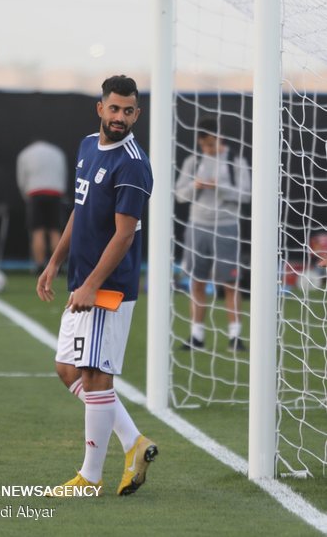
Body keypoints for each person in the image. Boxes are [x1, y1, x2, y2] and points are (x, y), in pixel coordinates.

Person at [37, 75, 157, 496]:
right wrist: (54, 261)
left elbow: (124, 235)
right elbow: (80, 210)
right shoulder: (89, 146)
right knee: (68, 369)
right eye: (114, 108)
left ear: (136, 114)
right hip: (81, 282)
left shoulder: (134, 164)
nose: (120, 116)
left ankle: (89, 478)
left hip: (107, 289)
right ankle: (134, 442)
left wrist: (90, 285)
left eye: (128, 111)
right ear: (100, 108)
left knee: (95, 374)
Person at [175, 117, 251, 352]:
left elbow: (247, 196)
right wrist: (196, 186)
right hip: (197, 227)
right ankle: (196, 336)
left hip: (227, 227)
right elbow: (179, 195)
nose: (208, 149)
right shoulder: (193, 161)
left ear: (221, 138)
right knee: (197, 282)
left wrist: (221, 187)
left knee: (230, 283)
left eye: (211, 144)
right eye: (204, 145)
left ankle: (235, 337)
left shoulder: (235, 161)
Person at [16, 140, 68, 274]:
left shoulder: (25, 154)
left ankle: (39, 266)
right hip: (55, 194)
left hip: (35, 194)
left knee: (37, 230)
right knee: (55, 230)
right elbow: (63, 174)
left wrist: (25, 195)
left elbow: (22, 178)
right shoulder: (57, 153)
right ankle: (58, 265)